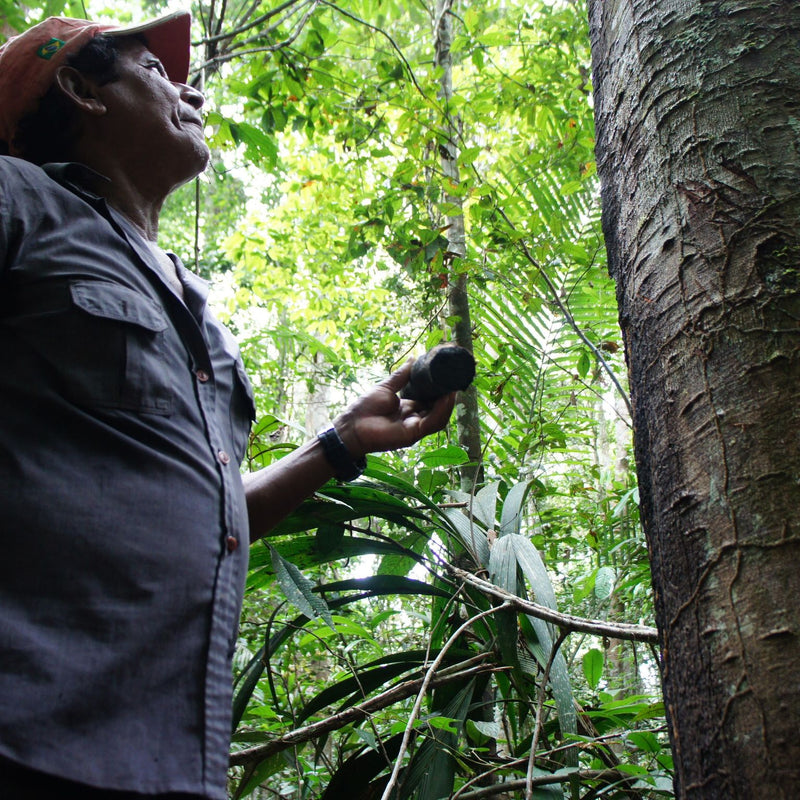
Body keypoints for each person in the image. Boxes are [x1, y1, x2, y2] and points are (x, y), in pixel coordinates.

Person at [0, 11, 455, 800]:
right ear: (80, 89)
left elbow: (203, 513)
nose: (190, 89)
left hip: (163, 760)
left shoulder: (195, 313)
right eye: (154, 72)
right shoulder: (20, 203)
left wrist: (339, 444)